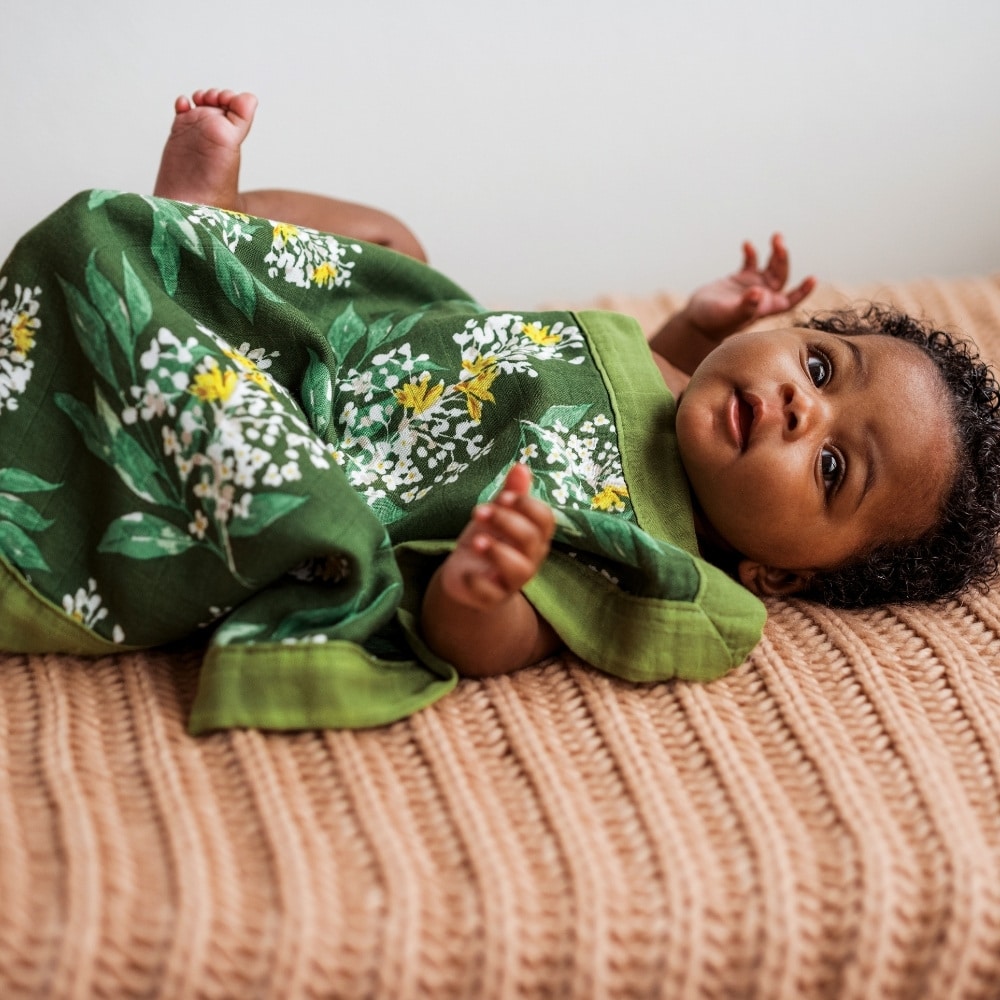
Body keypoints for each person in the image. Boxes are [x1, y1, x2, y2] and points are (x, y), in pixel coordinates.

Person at [1, 89, 998, 732]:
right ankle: (211, 239)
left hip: (336, 452)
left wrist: (484, 583)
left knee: (188, 379)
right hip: (383, 350)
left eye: (831, 467)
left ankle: (184, 289)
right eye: (822, 367)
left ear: (778, 572)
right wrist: (698, 329)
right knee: (391, 242)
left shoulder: (654, 551)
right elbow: (636, 371)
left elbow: (500, 636)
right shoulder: (674, 380)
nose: (793, 408)